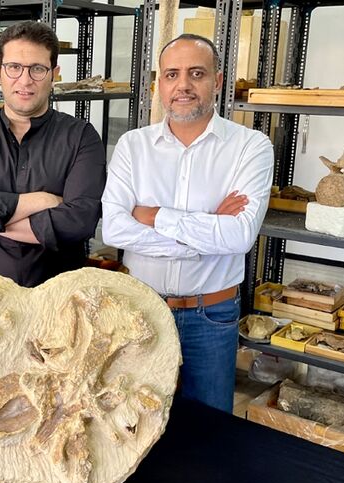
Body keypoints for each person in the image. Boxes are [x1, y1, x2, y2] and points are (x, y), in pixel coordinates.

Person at [101, 33, 273, 413]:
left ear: (218, 81)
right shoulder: (133, 145)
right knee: (133, 420)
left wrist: (155, 216)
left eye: (196, 73)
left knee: (208, 428)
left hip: (210, 315)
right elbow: (113, 228)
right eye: (171, 74)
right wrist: (208, 227)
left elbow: (240, 235)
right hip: (140, 307)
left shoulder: (251, 146)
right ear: (158, 83)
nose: (183, 85)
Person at [0, 20, 106, 288]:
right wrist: (43, 200)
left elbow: (80, 222)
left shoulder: (81, 136)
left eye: (38, 69)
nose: (25, 80)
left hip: (58, 303)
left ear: (54, 74)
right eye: (14, 67)